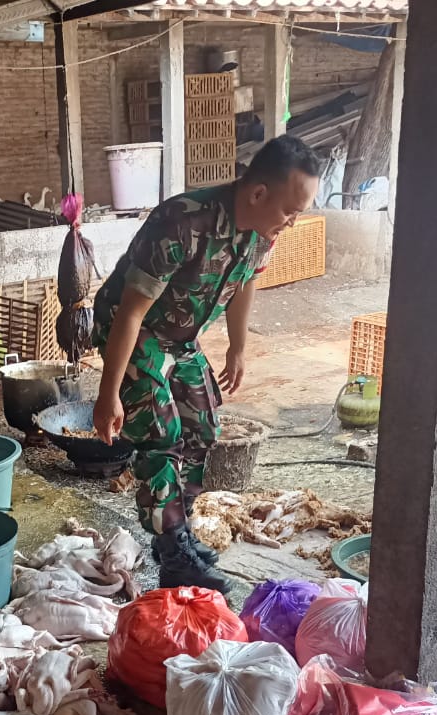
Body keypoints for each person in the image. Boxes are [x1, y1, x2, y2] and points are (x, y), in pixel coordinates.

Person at [91, 135, 321, 593]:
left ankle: (178, 531)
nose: (292, 222)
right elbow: (132, 313)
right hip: (133, 328)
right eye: (289, 211)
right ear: (258, 193)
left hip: (181, 337)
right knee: (161, 432)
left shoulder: (263, 233)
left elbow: (245, 284)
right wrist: (108, 393)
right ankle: (175, 554)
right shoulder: (181, 222)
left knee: (203, 427)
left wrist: (238, 346)